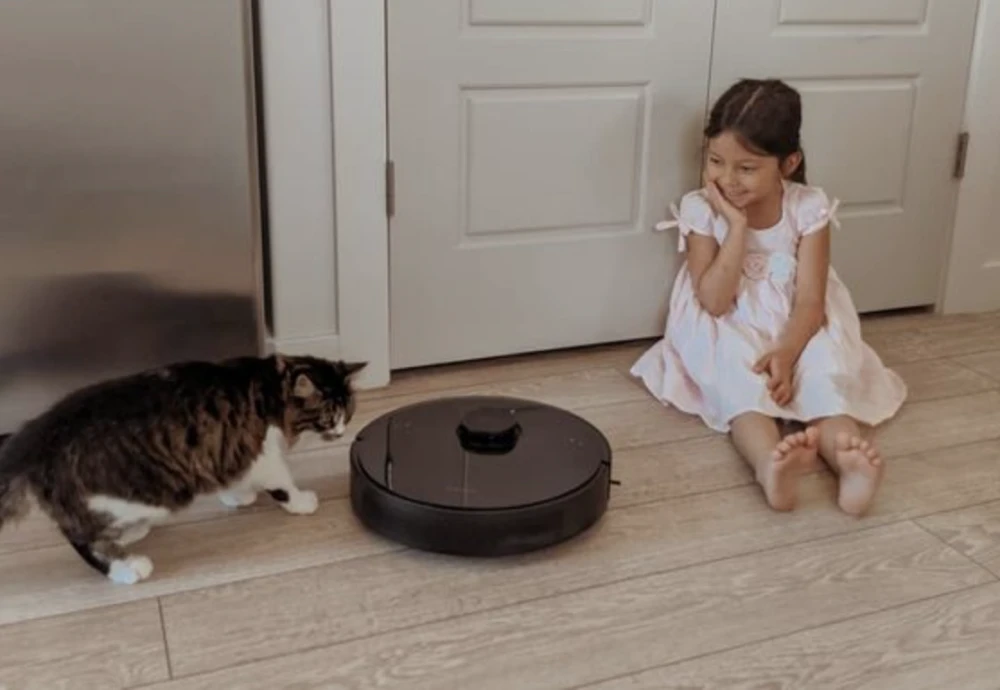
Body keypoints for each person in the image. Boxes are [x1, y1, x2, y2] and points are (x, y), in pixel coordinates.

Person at [631, 78, 907, 516]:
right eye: (716, 161)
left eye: (746, 168)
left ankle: (847, 460)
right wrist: (736, 228)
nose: (727, 179)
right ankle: (769, 465)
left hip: (799, 322)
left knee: (823, 372)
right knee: (736, 376)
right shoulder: (701, 208)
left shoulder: (807, 208)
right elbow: (715, 302)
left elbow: (812, 301)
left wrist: (789, 350)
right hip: (726, 320)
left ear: (788, 163)